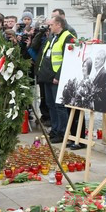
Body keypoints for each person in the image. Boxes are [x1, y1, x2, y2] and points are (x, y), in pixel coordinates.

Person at [36, 15, 75, 144]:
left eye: (51, 25)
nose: (50, 27)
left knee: (59, 106)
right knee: (50, 105)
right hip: (47, 76)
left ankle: (62, 132)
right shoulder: (53, 37)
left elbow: (67, 59)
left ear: (58, 24)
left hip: (56, 77)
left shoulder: (67, 37)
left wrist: (58, 76)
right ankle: (55, 129)